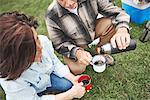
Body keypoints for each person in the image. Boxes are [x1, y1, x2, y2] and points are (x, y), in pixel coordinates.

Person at [0, 11, 85, 100]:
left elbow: (55, 63)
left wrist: (72, 78)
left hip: (43, 79)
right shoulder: (11, 80)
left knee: (67, 85)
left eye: (36, 38)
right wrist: (70, 95)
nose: (40, 47)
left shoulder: (43, 41)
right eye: (33, 49)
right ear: (18, 57)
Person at [45, 0, 131, 74]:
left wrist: (122, 29)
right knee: (77, 69)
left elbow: (117, 12)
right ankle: (82, 53)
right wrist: (76, 52)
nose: (69, 3)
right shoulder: (51, 15)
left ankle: (101, 51)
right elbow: (59, 43)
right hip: (74, 43)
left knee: (112, 22)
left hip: (93, 30)